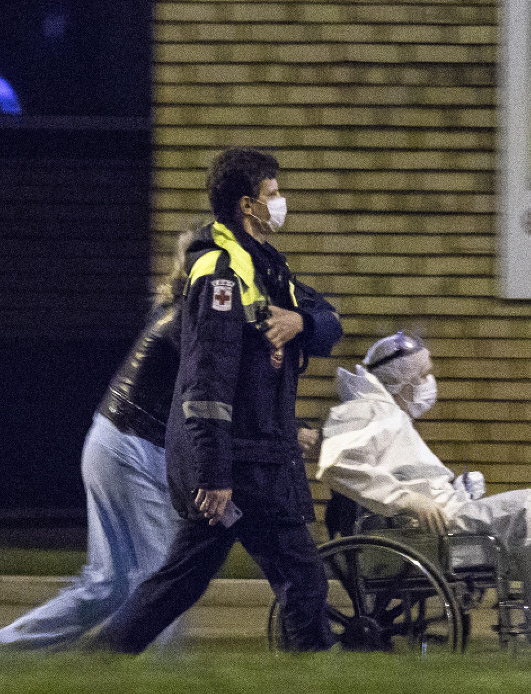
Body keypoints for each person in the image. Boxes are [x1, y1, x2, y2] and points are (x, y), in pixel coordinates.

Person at [89, 147, 342, 654]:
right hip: (240, 466)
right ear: (248, 205)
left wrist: (302, 322)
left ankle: (102, 658)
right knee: (297, 578)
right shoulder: (220, 277)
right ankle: (314, 682)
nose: (281, 202)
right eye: (273, 194)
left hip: (260, 456)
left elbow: (330, 321)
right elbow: (206, 385)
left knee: (193, 582)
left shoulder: (267, 269)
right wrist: (214, 475)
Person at [316, 332, 531, 660]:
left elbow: (406, 473)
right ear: (404, 381)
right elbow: (340, 464)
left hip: (436, 521)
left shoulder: (387, 415)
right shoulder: (367, 411)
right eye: (424, 375)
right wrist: (406, 500)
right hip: (423, 529)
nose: (429, 383)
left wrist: (454, 490)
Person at [0, 254, 189, 651]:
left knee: (108, 585)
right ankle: (163, 683)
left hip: (112, 442)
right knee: (162, 581)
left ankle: (3, 647)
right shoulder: (186, 323)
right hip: (133, 449)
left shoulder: (176, 313)